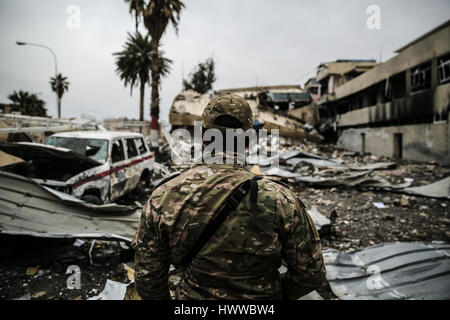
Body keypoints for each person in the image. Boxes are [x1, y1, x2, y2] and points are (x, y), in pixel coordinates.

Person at [132, 93, 325, 300]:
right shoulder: (281, 200)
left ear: (202, 135)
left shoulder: (164, 196)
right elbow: (311, 275)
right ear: (250, 138)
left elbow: (147, 279)